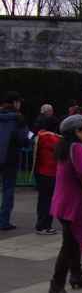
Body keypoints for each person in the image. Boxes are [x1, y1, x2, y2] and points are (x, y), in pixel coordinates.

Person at [49, 115, 82, 293]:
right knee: (69, 246)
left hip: (63, 202)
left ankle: (76, 276)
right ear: (77, 131)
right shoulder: (77, 147)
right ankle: (56, 287)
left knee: (74, 241)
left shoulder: (65, 147)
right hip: (73, 204)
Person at [0, 91, 28, 231]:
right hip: (10, 157)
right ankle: (4, 221)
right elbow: (23, 139)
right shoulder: (18, 118)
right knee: (7, 189)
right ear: (15, 103)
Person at [33, 115, 60, 234]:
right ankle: (46, 226)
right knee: (50, 200)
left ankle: (40, 224)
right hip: (52, 173)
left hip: (39, 171)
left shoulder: (39, 136)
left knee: (42, 199)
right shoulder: (57, 139)